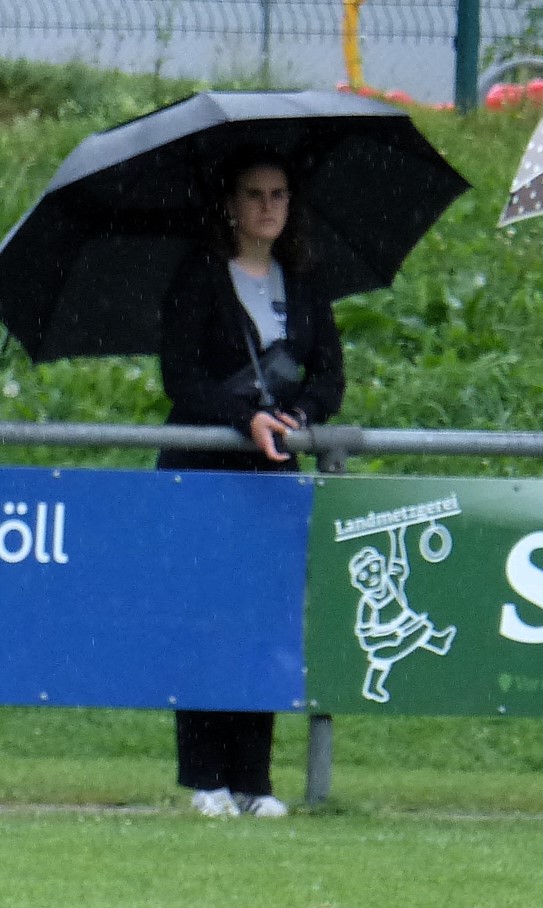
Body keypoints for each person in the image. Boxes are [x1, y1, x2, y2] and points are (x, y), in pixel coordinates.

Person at [157, 149, 344, 819]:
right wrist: (244, 417)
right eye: (255, 194)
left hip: (272, 475)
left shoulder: (305, 283)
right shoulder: (200, 277)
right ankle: (205, 776)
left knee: (263, 620)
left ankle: (253, 780)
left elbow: (330, 377)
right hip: (204, 468)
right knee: (206, 617)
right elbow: (181, 378)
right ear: (231, 205)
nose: (268, 206)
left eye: (279, 194)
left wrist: (299, 416)